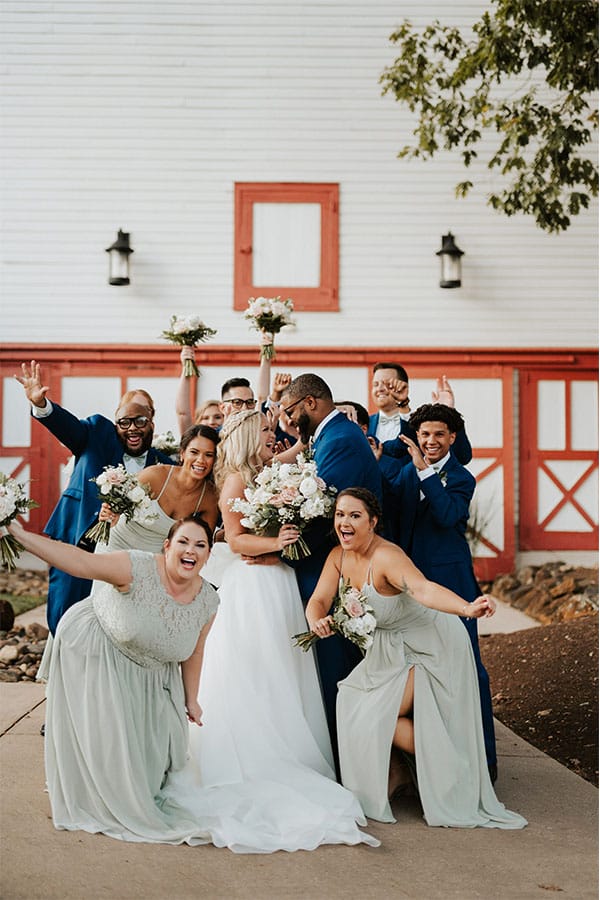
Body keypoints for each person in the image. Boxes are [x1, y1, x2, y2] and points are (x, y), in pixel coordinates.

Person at [171, 409, 378, 852]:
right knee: (254, 668)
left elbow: (296, 450)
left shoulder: (273, 471)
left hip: (281, 583)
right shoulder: (234, 482)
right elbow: (235, 538)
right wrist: (276, 543)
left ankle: (291, 745)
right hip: (252, 587)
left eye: (274, 430)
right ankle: (251, 752)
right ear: (248, 437)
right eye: (266, 431)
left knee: (285, 671)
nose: (274, 436)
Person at [305, 488, 527, 830]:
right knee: (352, 700)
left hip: (431, 646)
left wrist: (467, 608)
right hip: (392, 647)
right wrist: (316, 620)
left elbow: (424, 589)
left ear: (373, 522)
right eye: (340, 515)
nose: (344, 522)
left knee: (378, 711)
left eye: (354, 516)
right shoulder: (338, 555)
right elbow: (318, 599)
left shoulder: (387, 558)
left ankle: (453, 771)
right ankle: (399, 774)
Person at [8, 515, 221, 844]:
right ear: (167, 546)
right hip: (97, 649)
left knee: (149, 777)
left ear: (208, 555)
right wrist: (19, 534)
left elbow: (194, 652)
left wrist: (191, 699)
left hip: (152, 669)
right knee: (111, 757)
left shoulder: (208, 600)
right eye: (183, 541)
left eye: (200, 545)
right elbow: (80, 562)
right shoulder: (133, 567)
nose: (190, 550)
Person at [14, 360, 174, 634]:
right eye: (125, 420)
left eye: (141, 418)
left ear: (152, 421)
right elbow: (69, 428)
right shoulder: (98, 432)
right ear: (116, 421)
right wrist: (42, 404)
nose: (133, 427)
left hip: (126, 555)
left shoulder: (163, 465)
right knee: (65, 613)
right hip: (78, 534)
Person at [383, 403, 498, 779]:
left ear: (452, 438)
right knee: (416, 664)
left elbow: (448, 516)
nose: (430, 441)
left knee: (465, 664)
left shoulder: (462, 477)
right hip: (410, 582)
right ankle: (422, 764)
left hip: (451, 583)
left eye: (438, 434)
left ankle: (483, 761)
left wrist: (426, 472)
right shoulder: (402, 473)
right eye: (425, 434)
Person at [279, 374, 383, 756]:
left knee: (334, 664)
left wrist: (278, 547)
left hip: (331, 566)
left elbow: (325, 516)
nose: (289, 421)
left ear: (311, 403)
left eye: (291, 412)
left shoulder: (339, 441)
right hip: (327, 562)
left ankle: (347, 757)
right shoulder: (330, 436)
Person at [98, 424, 220, 553]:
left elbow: (203, 543)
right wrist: (109, 513)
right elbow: (114, 508)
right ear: (182, 453)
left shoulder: (209, 497)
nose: (201, 460)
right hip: (117, 545)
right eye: (194, 452)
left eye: (208, 455)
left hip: (155, 559)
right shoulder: (154, 476)